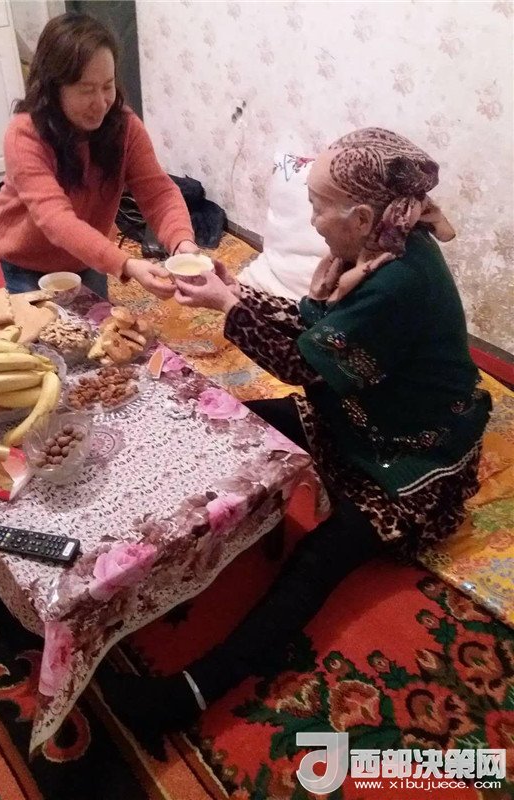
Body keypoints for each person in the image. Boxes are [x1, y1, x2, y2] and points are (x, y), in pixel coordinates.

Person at [99, 128, 491, 755]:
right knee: (226, 419)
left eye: (316, 205)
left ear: (359, 217)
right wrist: (234, 291)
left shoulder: (398, 281)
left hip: (409, 456)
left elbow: (304, 363)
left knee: (315, 563)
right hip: (356, 413)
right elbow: (313, 328)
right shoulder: (376, 249)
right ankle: (126, 534)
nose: (310, 218)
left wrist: (228, 307)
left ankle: (187, 695)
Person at [0, 12, 198, 298]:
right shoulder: (24, 134)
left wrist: (183, 243)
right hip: (27, 259)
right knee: (41, 327)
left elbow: (158, 192)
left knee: (98, 323)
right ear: (53, 88)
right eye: (86, 90)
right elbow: (55, 220)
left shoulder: (124, 126)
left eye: (107, 86)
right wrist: (125, 264)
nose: (100, 103)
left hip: (87, 256)